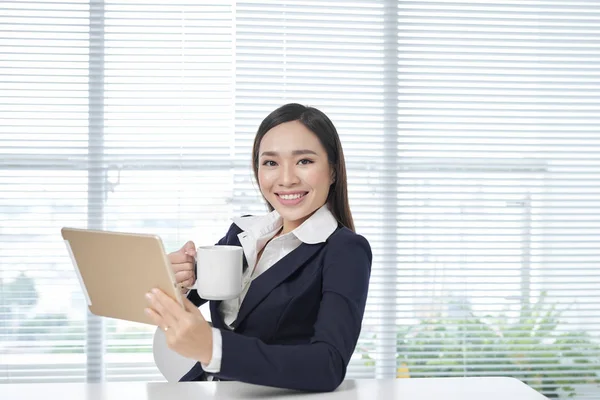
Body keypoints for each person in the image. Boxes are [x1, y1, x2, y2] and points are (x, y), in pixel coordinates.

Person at [144, 103, 372, 392]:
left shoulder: (345, 250)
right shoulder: (243, 233)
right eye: (271, 163)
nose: (286, 178)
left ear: (333, 172)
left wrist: (214, 349)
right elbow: (187, 300)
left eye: (304, 161)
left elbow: (328, 364)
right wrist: (178, 281)